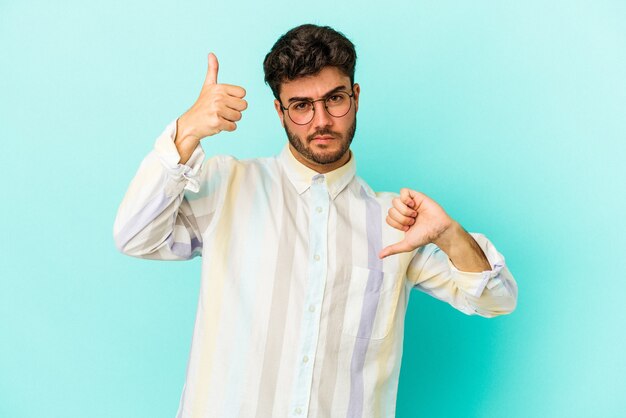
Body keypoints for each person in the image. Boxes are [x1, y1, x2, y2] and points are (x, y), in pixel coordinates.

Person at [114, 23, 517, 418]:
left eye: (335, 99)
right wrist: (185, 134)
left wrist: (449, 235)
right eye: (302, 106)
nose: (321, 120)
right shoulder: (228, 185)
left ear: (355, 97)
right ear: (280, 111)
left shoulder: (398, 221)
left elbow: (496, 300)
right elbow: (135, 236)